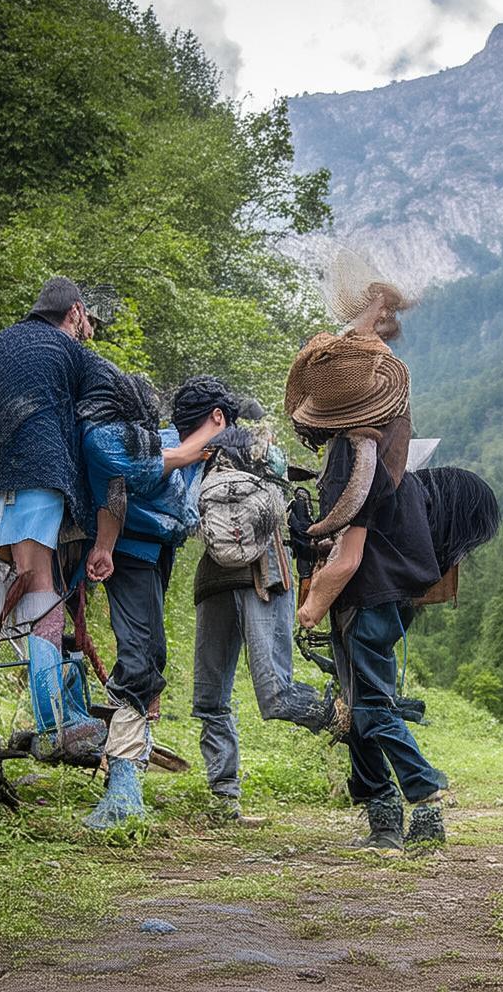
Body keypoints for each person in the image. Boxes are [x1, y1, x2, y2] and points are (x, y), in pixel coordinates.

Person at [286, 319, 449, 850]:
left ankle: (425, 802)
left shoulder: (358, 463)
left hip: (367, 598)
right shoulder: (387, 452)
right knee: (358, 708)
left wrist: (308, 609)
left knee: (373, 707)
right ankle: (383, 821)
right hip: (388, 595)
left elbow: (349, 557)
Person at [0, 276, 110, 759]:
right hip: (40, 477)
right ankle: (55, 722)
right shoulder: (65, 348)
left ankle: (66, 711)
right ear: (75, 313)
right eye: (85, 322)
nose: (86, 330)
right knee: (40, 585)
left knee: (32, 584)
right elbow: (119, 392)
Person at [80, 374, 235, 829]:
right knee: (139, 656)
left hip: (154, 554)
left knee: (152, 655)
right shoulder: (160, 445)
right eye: (226, 423)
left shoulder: (200, 456)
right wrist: (105, 546)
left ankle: (129, 772)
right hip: (127, 552)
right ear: (216, 418)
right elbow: (115, 483)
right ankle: (121, 786)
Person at [191, 402, 347, 822]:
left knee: (210, 698)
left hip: (219, 584)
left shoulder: (204, 466)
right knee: (273, 694)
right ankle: (343, 718)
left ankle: (225, 798)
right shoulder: (264, 464)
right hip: (262, 580)